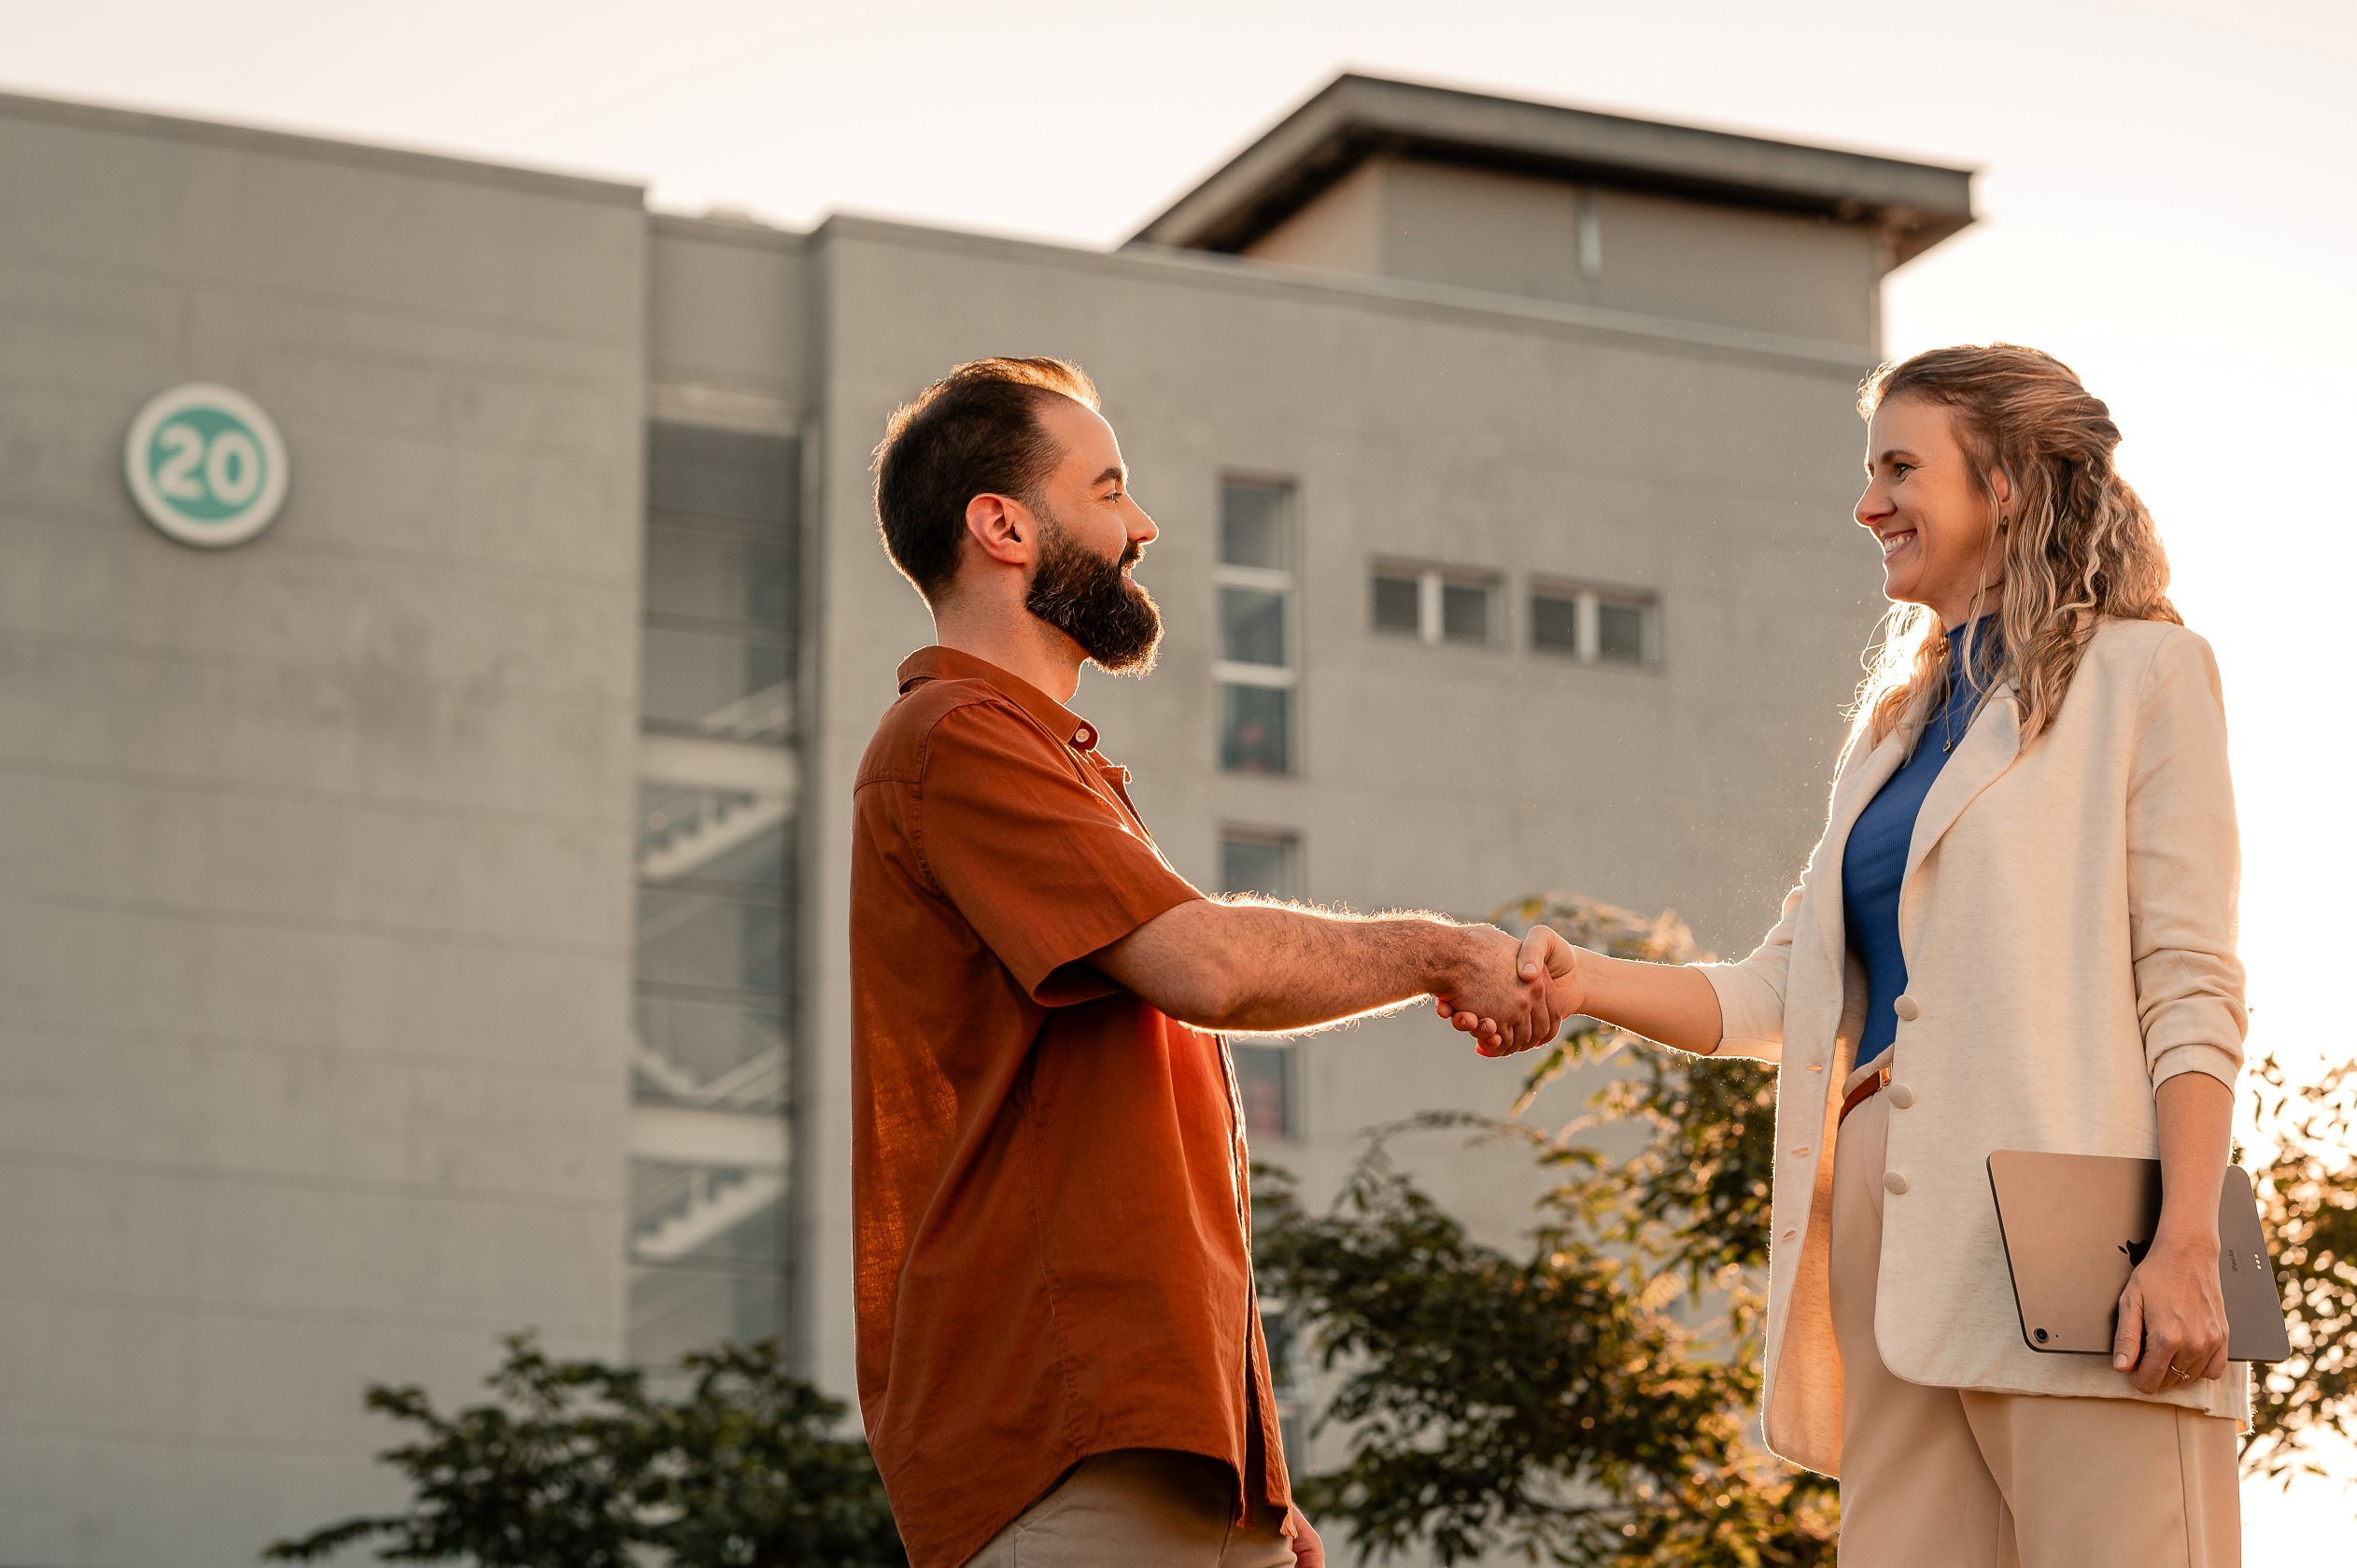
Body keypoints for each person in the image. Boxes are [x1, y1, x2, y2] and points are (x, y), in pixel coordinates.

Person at [1465, 344, 2248, 1566]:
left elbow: (2193, 988)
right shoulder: (1891, 732)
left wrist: (2187, 1240)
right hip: (1888, 1231)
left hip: (2085, 1228)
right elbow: (1785, 991)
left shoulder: (2148, 675)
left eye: (1899, 469)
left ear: (2008, 484)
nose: (1866, 505)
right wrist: (1584, 987)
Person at [850, 356, 1558, 1568]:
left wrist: (1257, 1499)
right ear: (1004, 525)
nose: (1143, 527)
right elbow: (1207, 967)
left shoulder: (1045, 762)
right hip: (1059, 1445)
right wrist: (1442, 953)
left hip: (1155, 1461)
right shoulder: (957, 739)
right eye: (1110, 489)